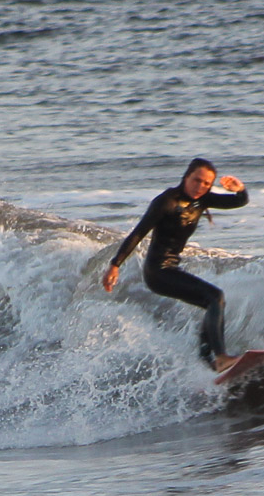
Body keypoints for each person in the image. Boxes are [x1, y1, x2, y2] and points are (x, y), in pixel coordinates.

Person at [101, 157, 249, 372]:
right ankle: (220, 357)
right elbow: (138, 234)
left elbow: (238, 201)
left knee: (212, 303)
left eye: (207, 184)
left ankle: (207, 364)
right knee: (216, 297)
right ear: (186, 177)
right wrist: (115, 265)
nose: (200, 187)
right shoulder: (166, 201)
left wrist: (240, 189)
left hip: (172, 268)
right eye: (196, 180)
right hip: (158, 272)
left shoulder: (202, 200)